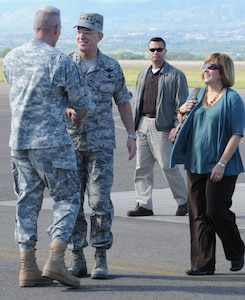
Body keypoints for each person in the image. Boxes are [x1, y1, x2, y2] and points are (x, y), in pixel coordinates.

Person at [3, 6, 96, 288]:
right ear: (56, 30)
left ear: (34, 28)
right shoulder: (58, 60)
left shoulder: (11, 57)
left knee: (26, 203)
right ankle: (55, 259)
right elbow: (83, 103)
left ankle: (27, 267)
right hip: (52, 143)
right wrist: (76, 110)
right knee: (67, 198)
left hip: (19, 144)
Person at [65, 13, 136, 279]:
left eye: (88, 32)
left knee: (99, 203)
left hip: (101, 145)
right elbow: (54, 100)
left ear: (100, 36)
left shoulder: (111, 67)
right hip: (70, 144)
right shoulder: (65, 64)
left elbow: (123, 101)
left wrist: (131, 135)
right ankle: (76, 256)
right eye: (79, 31)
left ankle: (100, 256)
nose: (82, 36)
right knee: (72, 203)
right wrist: (67, 110)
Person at [170, 53, 245, 275]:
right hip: (195, 163)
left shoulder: (232, 99)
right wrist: (181, 112)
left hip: (222, 166)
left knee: (215, 211)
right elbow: (185, 125)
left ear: (223, 72)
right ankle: (203, 263)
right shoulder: (198, 94)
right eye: (204, 66)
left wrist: (221, 164)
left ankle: (237, 250)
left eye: (211, 67)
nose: (205, 69)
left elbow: (236, 134)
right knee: (197, 214)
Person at [127, 37, 189, 217]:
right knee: (142, 168)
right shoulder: (142, 74)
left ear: (165, 51)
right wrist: (133, 127)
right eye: (153, 49)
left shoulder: (176, 75)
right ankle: (144, 204)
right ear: (148, 52)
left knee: (168, 167)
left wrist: (177, 126)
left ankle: (184, 202)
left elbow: (182, 104)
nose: (156, 52)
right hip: (142, 125)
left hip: (162, 126)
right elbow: (136, 102)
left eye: (159, 49)